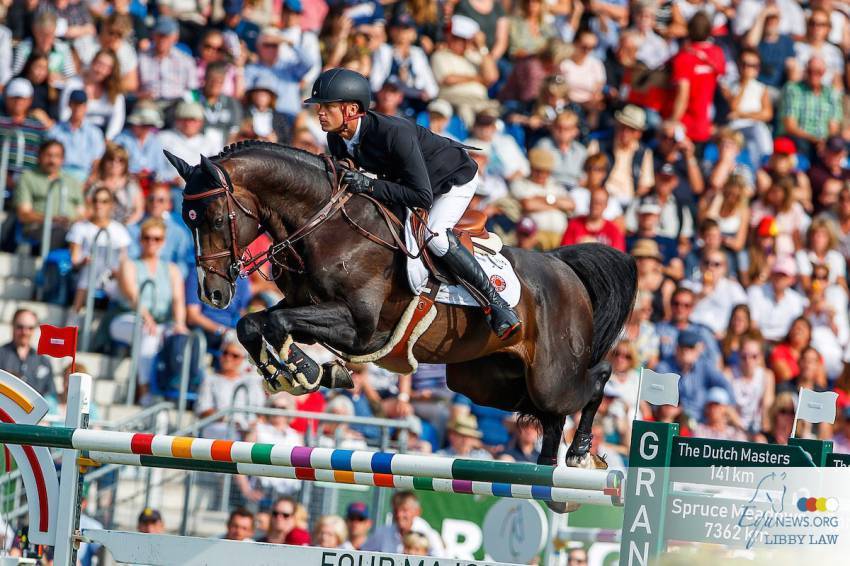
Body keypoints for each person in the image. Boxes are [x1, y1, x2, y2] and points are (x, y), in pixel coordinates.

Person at [306, 67, 520, 340]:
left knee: (435, 236)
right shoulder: (336, 137)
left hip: (451, 180)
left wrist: (369, 185)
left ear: (350, 110)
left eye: (327, 107)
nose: (320, 113)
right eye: (319, 107)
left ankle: (496, 304)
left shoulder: (393, 133)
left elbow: (421, 196)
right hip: (407, 182)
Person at [110, 218, 189, 401]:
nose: (151, 242)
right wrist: (147, 317)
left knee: (181, 338)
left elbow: (178, 300)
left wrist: (179, 324)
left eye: (157, 239)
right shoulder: (129, 264)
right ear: (140, 239)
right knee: (147, 332)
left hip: (161, 323)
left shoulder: (172, 269)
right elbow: (132, 295)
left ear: (163, 242)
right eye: (147, 238)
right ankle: (145, 390)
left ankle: (173, 391)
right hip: (126, 319)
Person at [67, 187, 131, 313]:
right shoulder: (79, 227)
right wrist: (83, 262)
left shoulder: (119, 230)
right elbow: (74, 260)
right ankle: (74, 316)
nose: (98, 205)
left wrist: (115, 272)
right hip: (83, 271)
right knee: (89, 271)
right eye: (96, 201)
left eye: (104, 201)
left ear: (111, 204)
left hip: (109, 275)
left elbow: (123, 261)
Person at [15, 139, 85, 251]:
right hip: (39, 229)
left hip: (70, 229)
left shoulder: (72, 181)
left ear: (63, 159)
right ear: (40, 156)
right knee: (60, 234)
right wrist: (50, 219)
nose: (52, 160)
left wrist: (71, 220)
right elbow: (24, 214)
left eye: (57, 156)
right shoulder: (28, 177)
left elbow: (82, 214)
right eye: (48, 155)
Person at [429, 15, 499, 127]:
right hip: (456, 101)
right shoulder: (440, 55)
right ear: (448, 36)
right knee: (466, 112)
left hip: (481, 101)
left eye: (465, 39)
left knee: (494, 118)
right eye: (457, 38)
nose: (462, 42)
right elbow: (449, 79)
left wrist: (482, 46)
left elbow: (492, 77)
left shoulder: (475, 56)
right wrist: (477, 79)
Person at [667, 12, 725, 146]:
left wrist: (673, 121)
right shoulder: (717, 53)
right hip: (705, 125)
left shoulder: (684, 58)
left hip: (685, 127)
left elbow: (683, 93)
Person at [655, 329, 736, 421]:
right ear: (676, 348)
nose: (686, 351)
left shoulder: (704, 366)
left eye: (690, 347)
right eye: (683, 347)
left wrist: (729, 406)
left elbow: (725, 384)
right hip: (675, 420)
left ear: (698, 350)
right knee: (667, 415)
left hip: (702, 420)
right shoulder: (664, 367)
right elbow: (658, 401)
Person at [194, 333, 265, 437]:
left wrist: (252, 424)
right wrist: (228, 419)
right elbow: (203, 410)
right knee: (233, 433)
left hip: (247, 426)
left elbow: (259, 411)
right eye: (225, 353)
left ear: (242, 359)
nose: (228, 358)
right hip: (219, 425)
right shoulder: (210, 379)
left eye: (234, 356)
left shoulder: (251, 381)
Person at [510, 147, 574, 250]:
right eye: (538, 170)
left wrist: (543, 199)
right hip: (535, 237)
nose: (541, 174)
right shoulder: (521, 184)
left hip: (560, 236)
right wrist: (557, 205)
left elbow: (570, 205)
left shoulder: (555, 185)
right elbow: (528, 205)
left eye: (545, 171)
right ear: (531, 168)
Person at [47, 89, 105, 181]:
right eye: (75, 104)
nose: (78, 108)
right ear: (69, 104)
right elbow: (49, 157)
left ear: (86, 107)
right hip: (60, 175)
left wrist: (90, 180)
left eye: (81, 105)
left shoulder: (95, 133)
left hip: (85, 177)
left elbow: (97, 162)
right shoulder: (55, 130)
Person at [362, 491, 444, 556]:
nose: (399, 515)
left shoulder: (429, 535)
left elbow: (441, 561)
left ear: (417, 512)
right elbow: (363, 553)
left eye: (404, 510)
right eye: (396, 510)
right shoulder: (383, 532)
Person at [138, 16, 199, 103]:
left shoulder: (186, 61)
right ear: (153, 35)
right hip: (150, 103)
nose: (162, 39)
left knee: (191, 112)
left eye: (166, 36)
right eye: (160, 35)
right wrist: (141, 95)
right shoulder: (141, 58)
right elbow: (133, 88)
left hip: (177, 103)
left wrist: (183, 99)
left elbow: (194, 91)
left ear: (175, 37)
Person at [747, 255, 808, 342]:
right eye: (777, 274)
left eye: (784, 276)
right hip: (760, 341)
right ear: (771, 275)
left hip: (784, 343)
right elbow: (753, 324)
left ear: (792, 279)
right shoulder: (756, 292)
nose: (779, 279)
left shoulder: (797, 300)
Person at [0, 309, 56, 401]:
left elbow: (51, 396)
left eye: (30, 328)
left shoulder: (44, 362)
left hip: (36, 413)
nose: (25, 332)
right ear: (12, 326)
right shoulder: (1, 355)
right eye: (20, 327)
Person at [560, 188, 625, 250]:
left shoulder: (613, 231)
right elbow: (564, 251)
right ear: (589, 202)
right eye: (594, 201)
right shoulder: (575, 224)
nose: (596, 205)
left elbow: (617, 257)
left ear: (606, 205)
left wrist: (596, 248)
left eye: (600, 203)